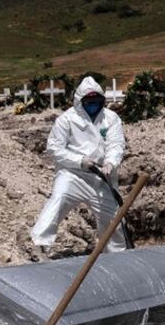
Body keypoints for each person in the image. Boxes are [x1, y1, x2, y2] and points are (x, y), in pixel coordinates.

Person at [30, 77, 128, 252]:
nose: (93, 106)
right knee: (57, 202)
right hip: (73, 175)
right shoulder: (66, 120)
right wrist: (79, 161)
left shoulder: (111, 118)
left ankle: (117, 256)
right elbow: (54, 148)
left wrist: (111, 163)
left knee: (114, 220)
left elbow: (116, 144)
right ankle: (38, 245)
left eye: (97, 102)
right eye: (89, 102)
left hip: (101, 178)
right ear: (80, 101)